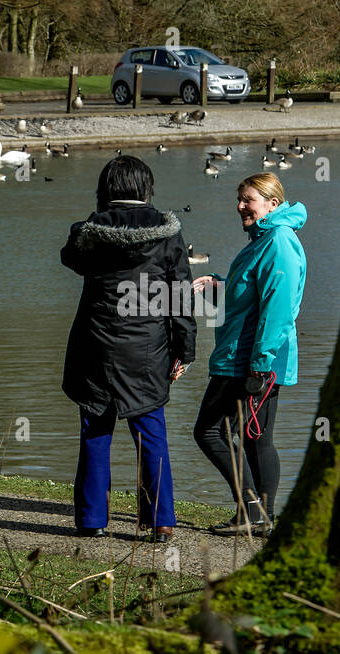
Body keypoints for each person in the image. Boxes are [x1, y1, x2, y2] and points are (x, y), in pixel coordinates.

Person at [61, 155, 196, 543]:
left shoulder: (90, 231)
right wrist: (184, 350)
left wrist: (95, 217)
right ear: (146, 188)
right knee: (150, 431)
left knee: (95, 430)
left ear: (106, 188)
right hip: (148, 348)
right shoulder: (168, 233)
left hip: (96, 343)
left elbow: (69, 259)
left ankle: (92, 520)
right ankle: (161, 520)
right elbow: (181, 299)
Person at [190, 173, 306, 536]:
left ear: (273, 203)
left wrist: (260, 364)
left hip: (249, 361)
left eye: (249, 200)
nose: (241, 206)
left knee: (209, 432)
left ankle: (253, 510)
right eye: (239, 199)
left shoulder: (279, 242)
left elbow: (279, 308)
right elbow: (251, 296)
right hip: (251, 358)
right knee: (257, 439)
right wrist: (219, 286)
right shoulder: (263, 240)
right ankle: (262, 517)